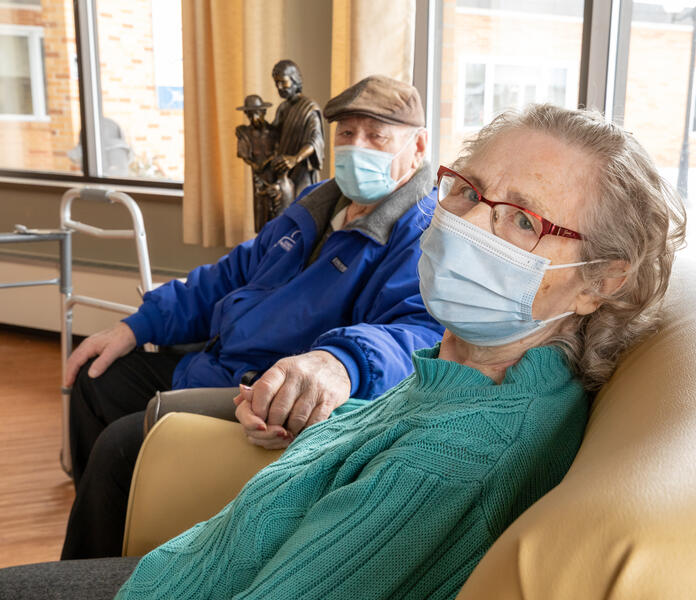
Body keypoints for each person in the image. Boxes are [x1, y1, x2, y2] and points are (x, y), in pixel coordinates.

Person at [0, 103, 685, 599]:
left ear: (601, 281)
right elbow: (230, 276)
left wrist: (339, 363)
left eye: (523, 219)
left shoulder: (453, 460)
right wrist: (320, 430)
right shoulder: (468, 365)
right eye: (466, 190)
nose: (470, 224)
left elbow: (401, 343)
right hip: (201, 545)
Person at [60, 75, 444, 560]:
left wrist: (342, 361)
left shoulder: (421, 233)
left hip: (262, 395)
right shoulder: (317, 204)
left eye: (376, 136)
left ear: (418, 147)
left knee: (121, 448)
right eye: (347, 133)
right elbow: (228, 276)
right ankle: (113, 538)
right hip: (215, 362)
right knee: (96, 379)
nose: (356, 146)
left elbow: (418, 334)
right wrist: (135, 326)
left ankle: (101, 569)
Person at [267, 59, 325, 199]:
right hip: (283, 170)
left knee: (300, 204)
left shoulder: (309, 108)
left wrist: (295, 158)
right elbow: (273, 134)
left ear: (295, 80)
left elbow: (315, 140)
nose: (279, 87)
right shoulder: (283, 108)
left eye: (283, 82)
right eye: (276, 83)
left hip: (302, 170)